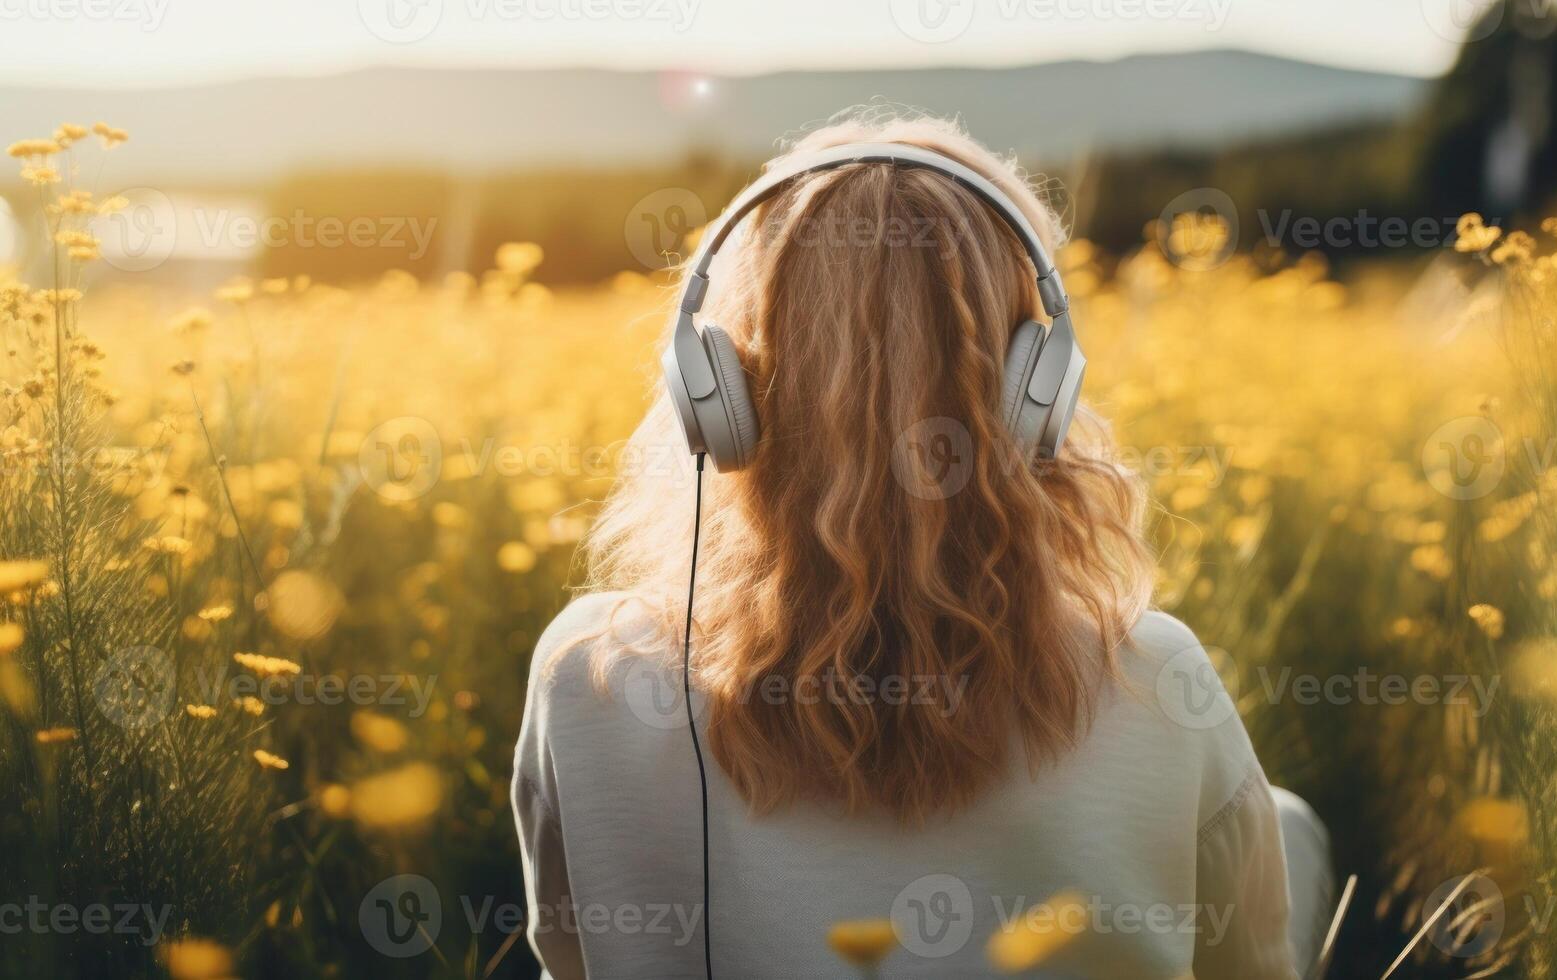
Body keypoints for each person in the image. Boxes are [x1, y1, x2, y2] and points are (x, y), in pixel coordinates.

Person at [513, 109, 1331, 979]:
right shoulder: (1157, 676)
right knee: (1287, 828)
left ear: (724, 398)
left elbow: (568, 956)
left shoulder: (587, 674)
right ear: (1030, 402)